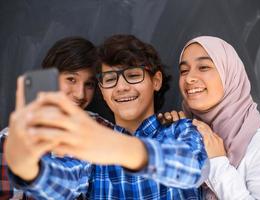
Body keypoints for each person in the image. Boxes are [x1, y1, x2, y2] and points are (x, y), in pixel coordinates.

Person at [4, 34, 209, 199]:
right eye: (110, 79)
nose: (121, 87)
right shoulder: (92, 149)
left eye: (133, 75)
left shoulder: (180, 129)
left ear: (155, 81)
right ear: (102, 90)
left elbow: (194, 168)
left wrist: (119, 147)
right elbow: (64, 180)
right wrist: (28, 168)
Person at [177, 36, 260, 199]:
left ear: (230, 73)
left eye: (203, 67)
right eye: (184, 70)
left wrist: (217, 163)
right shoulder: (186, 134)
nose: (189, 78)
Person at [0, 36, 111, 199]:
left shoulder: (104, 130)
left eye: (89, 84)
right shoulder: (11, 140)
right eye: (71, 79)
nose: (80, 94)